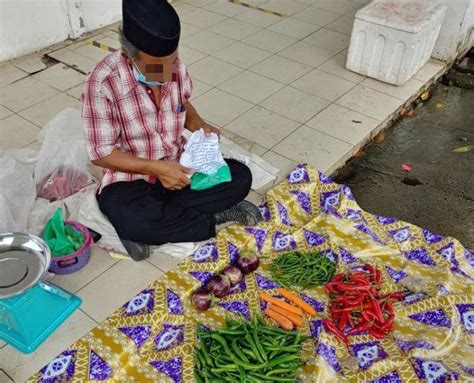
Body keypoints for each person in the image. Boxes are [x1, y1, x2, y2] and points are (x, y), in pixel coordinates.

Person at [82, 0, 261, 260]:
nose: (167, 73)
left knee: (240, 176)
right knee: (132, 215)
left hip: (179, 167)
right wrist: (156, 169)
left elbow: (183, 102)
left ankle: (162, 226)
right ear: (130, 55)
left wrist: (199, 123)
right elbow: (101, 154)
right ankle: (208, 220)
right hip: (131, 180)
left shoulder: (174, 67)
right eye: (157, 66)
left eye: (172, 61)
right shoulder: (102, 82)